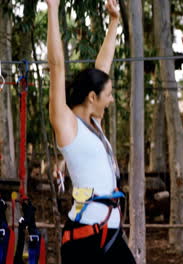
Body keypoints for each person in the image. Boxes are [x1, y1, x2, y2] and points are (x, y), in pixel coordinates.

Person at [46, 0, 135, 262]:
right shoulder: (67, 124)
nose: (111, 100)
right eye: (108, 96)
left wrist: (114, 22)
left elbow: (102, 67)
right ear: (92, 97)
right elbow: (57, 66)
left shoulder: (93, 124)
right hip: (86, 239)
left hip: (110, 233)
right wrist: (53, 8)